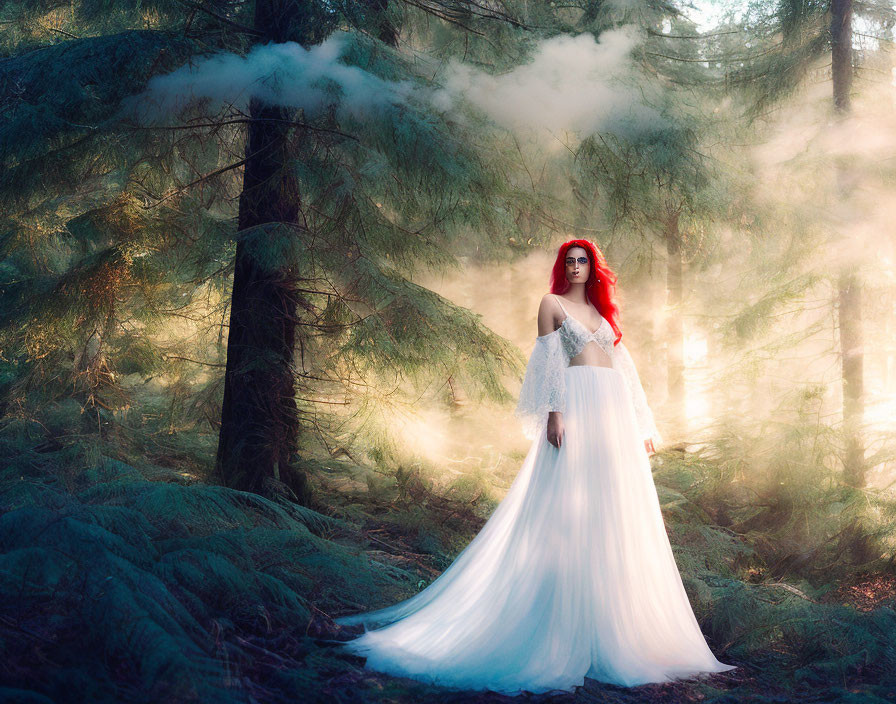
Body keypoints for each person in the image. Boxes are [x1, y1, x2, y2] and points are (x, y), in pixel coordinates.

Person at [332, 239, 737, 695]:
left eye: (583, 261)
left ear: (594, 268)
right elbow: (546, 364)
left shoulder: (603, 316)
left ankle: (614, 631)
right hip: (578, 405)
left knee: (613, 511)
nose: (577, 267)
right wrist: (554, 413)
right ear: (562, 267)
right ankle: (561, 630)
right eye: (570, 261)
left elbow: (624, 368)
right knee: (567, 506)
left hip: (613, 413)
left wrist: (642, 422)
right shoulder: (551, 304)